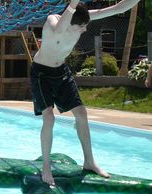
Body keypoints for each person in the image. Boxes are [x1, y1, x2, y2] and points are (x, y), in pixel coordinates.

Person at [30, 0, 141, 186]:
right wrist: (73, 3)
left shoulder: (81, 18)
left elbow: (118, 8)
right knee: (49, 118)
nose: (85, 29)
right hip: (41, 73)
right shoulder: (52, 23)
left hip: (61, 72)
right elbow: (59, 29)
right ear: (69, 22)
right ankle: (46, 166)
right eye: (81, 26)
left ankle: (89, 161)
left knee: (81, 113)